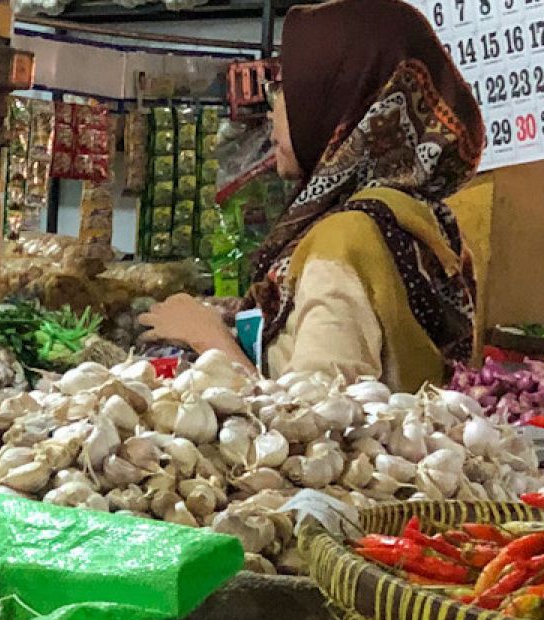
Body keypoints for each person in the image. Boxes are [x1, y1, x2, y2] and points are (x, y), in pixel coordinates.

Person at [139, 0, 485, 392]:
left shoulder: (346, 239)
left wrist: (206, 339)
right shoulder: (421, 217)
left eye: (286, 90)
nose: (275, 112)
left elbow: (313, 421)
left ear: (338, 100)